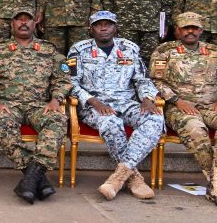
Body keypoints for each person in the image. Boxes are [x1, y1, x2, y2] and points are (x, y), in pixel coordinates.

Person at [149, 12, 217, 208]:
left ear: (201, 30)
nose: (190, 31)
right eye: (185, 28)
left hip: (213, 106)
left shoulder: (215, 51)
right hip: (180, 108)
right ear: (177, 31)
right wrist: (177, 100)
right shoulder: (165, 51)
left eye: (194, 28)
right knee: (195, 130)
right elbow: (156, 81)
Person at [67, 11, 162, 200]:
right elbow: (70, 83)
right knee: (110, 123)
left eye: (108, 24)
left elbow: (142, 79)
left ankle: (118, 178)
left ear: (115, 27)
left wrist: (147, 98)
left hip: (126, 102)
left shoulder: (130, 49)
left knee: (155, 118)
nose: (104, 28)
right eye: (98, 25)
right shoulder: (79, 50)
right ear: (91, 29)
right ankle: (134, 179)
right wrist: (93, 101)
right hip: (93, 106)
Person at [0, 9, 69, 203]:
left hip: (40, 106)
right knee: (0, 122)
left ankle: (31, 177)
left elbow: (63, 80)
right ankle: (38, 178)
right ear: (11, 24)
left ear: (34, 23)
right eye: (18, 19)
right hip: (7, 105)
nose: (23, 23)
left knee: (58, 120)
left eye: (28, 19)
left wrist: (56, 100)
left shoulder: (49, 50)